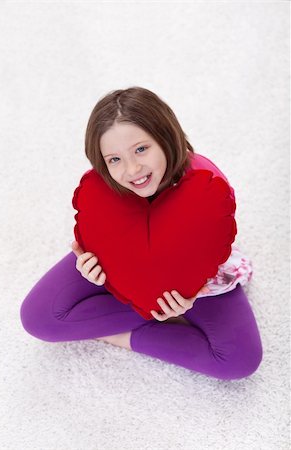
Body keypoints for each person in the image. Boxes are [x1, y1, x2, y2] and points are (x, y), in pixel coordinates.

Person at [20, 86, 263, 380]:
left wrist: (190, 297)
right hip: (123, 263)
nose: (132, 169)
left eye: (141, 149)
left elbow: (209, 251)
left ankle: (140, 323)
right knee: (39, 318)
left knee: (239, 360)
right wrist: (94, 269)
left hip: (191, 279)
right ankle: (150, 312)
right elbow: (102, 237)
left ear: (165, 137)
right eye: (114, 159)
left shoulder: (206, 186)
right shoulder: (104, 192)